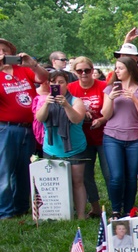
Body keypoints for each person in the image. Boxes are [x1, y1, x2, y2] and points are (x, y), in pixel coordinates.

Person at [0, 40, 47, 219]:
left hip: (28, 128)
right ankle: (5, 211)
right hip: (6, 128)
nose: (2, 54)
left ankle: (21, 207)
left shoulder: (23, 70)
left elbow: (43, 78)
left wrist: (33, 64)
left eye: (5, 50)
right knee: (4, 171)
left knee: (24, 170)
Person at [35, 71, 89, 219]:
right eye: (53, 83)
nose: (56, 86)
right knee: (55, 183)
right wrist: (47, 103)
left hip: (74, 148)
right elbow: (40, 118)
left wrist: (65, 105)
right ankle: (59, 213)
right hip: (52, 148)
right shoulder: (45, 100)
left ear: (67, 84)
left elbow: (76, 119)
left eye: (60, 82)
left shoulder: (75, 101)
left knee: (77, 181)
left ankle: (81, 214)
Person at [101, 57, 138, 217]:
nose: (117, 71)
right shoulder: (110, 89)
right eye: (116, 68)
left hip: (135, 137)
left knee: (131, 176)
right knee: (117, 176)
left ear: (130, 69)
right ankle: (115, 209)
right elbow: (105, 115)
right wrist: (112, 98)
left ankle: (128, 209)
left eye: (120, 68)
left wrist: (133, 99)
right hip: (113, 136)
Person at [67, 57, 109, 218]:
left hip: (103, 135)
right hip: (81, 138)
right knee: (86, 175)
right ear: (74, 72)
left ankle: (116, 207)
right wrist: (81, 112)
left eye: (87, 70)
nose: (83, 74)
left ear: (93, 71)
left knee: (109, 173)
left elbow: (110, 110)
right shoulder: (70, 88)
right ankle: (95, 207)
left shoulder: (103, 87)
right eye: (79, 71)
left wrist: (102, 119)